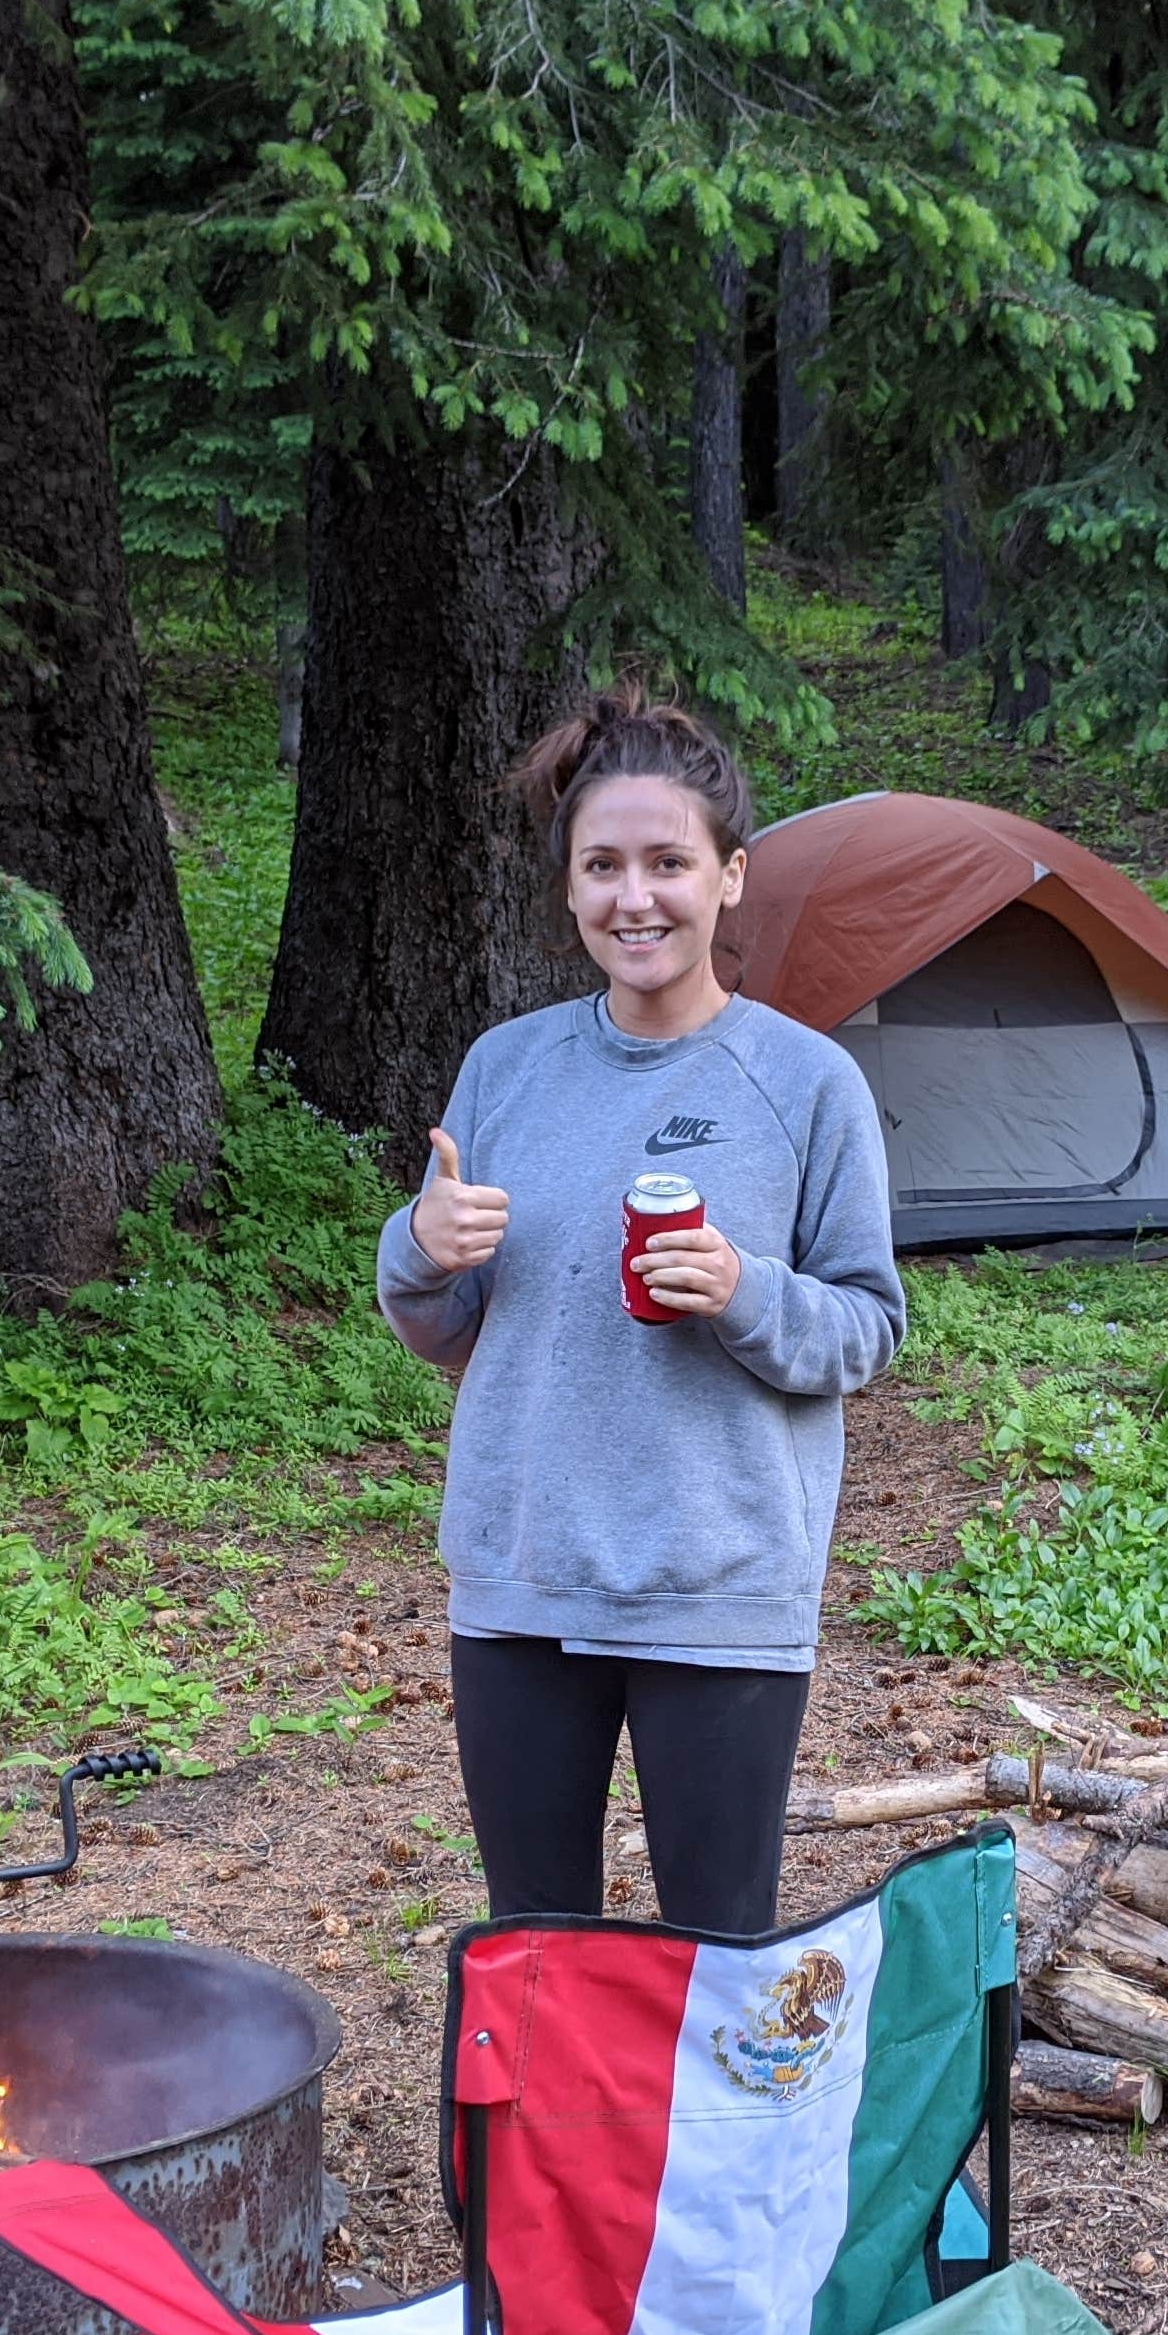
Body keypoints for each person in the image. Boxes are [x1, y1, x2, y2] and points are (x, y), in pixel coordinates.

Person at [375, 687, 904, 1937]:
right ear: (569, 888)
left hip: (719, 1589)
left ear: (730, 876)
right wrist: (420, 1251)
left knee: (718, 1950)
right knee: (534, 1944)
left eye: (668, 862)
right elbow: (452, 1332)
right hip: (524, 1576)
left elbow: (868, 1326)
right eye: (602, 866)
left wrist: (744, 1292)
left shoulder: (806, 1083)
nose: (635, 898)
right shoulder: (508, 1067)